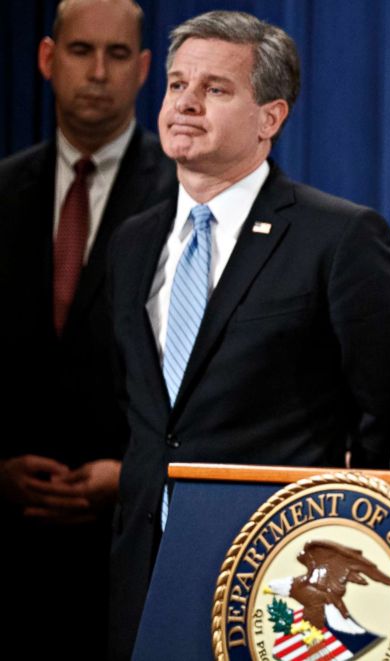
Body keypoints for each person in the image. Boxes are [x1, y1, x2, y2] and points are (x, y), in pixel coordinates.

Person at [106, 11, 390, 657]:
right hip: (142, 557)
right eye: (175, 84)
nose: (186, 103)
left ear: (270, 117)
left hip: (275, 565)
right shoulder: (133, 241)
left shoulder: (337, 235)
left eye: (216, 89)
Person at [0, 0, 174, 652]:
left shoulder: (187, 199)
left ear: (145, 69)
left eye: (118, 54)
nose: (98, 71)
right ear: (47, 59)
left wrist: (130, 474)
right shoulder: (4, 189)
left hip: (127, 545)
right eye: (81, 51)